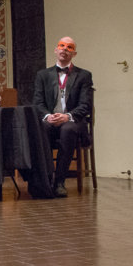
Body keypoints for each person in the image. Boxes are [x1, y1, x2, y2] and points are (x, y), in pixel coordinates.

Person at [31, 37, 93, 197]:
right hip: (50, 121)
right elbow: (37, 102)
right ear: (55, 50)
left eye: (69, 47)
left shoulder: (84, 75)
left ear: (74, 53)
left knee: (68, 130)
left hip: (73, 122)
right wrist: (47, 116)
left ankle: (59, 182)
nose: (64, 49)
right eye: (61, 46)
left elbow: (85, 105)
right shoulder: (42, 75)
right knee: (40, 128)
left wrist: (67, 116)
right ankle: (43, 181)